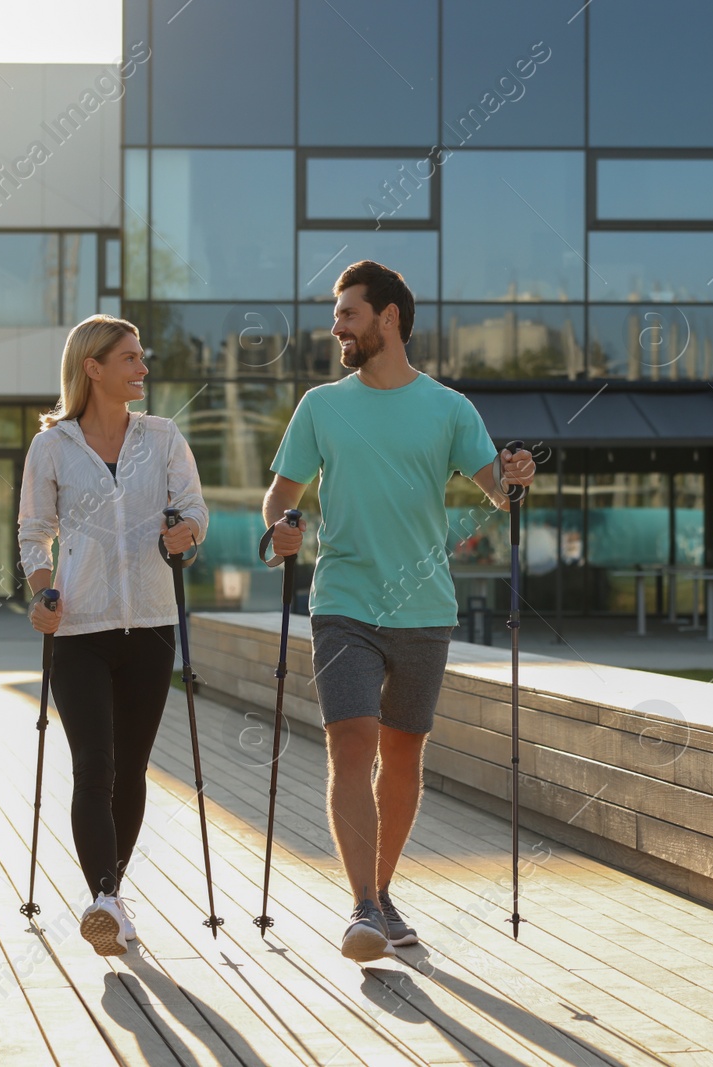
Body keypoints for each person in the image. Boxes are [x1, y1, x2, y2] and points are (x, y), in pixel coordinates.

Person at [263, 261, 534, 962]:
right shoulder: (321, 405)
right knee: (351, 740)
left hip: (422, 607)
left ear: (389, 318)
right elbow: (281, 497)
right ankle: (360, 905)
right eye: (337, 314)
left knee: (403, 753)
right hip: (344, 601)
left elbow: (498, 492)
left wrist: (516, 479)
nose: (337, 326)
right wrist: (282, 530)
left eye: (348, 313)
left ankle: (380, 894)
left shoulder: (449, 409)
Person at [18, 314, 208, 956]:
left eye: (142, 356)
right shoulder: (52, 446)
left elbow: (195, 509)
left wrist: (186, 533)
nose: (143, 368)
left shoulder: (163, 436)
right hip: (79, 630)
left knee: (131, 771)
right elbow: (33, 530)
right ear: (93, 368)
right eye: (130, 358)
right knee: (93, 765)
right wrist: (44, 589)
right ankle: (106, 898)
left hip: (152, 626)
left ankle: (108, 901)